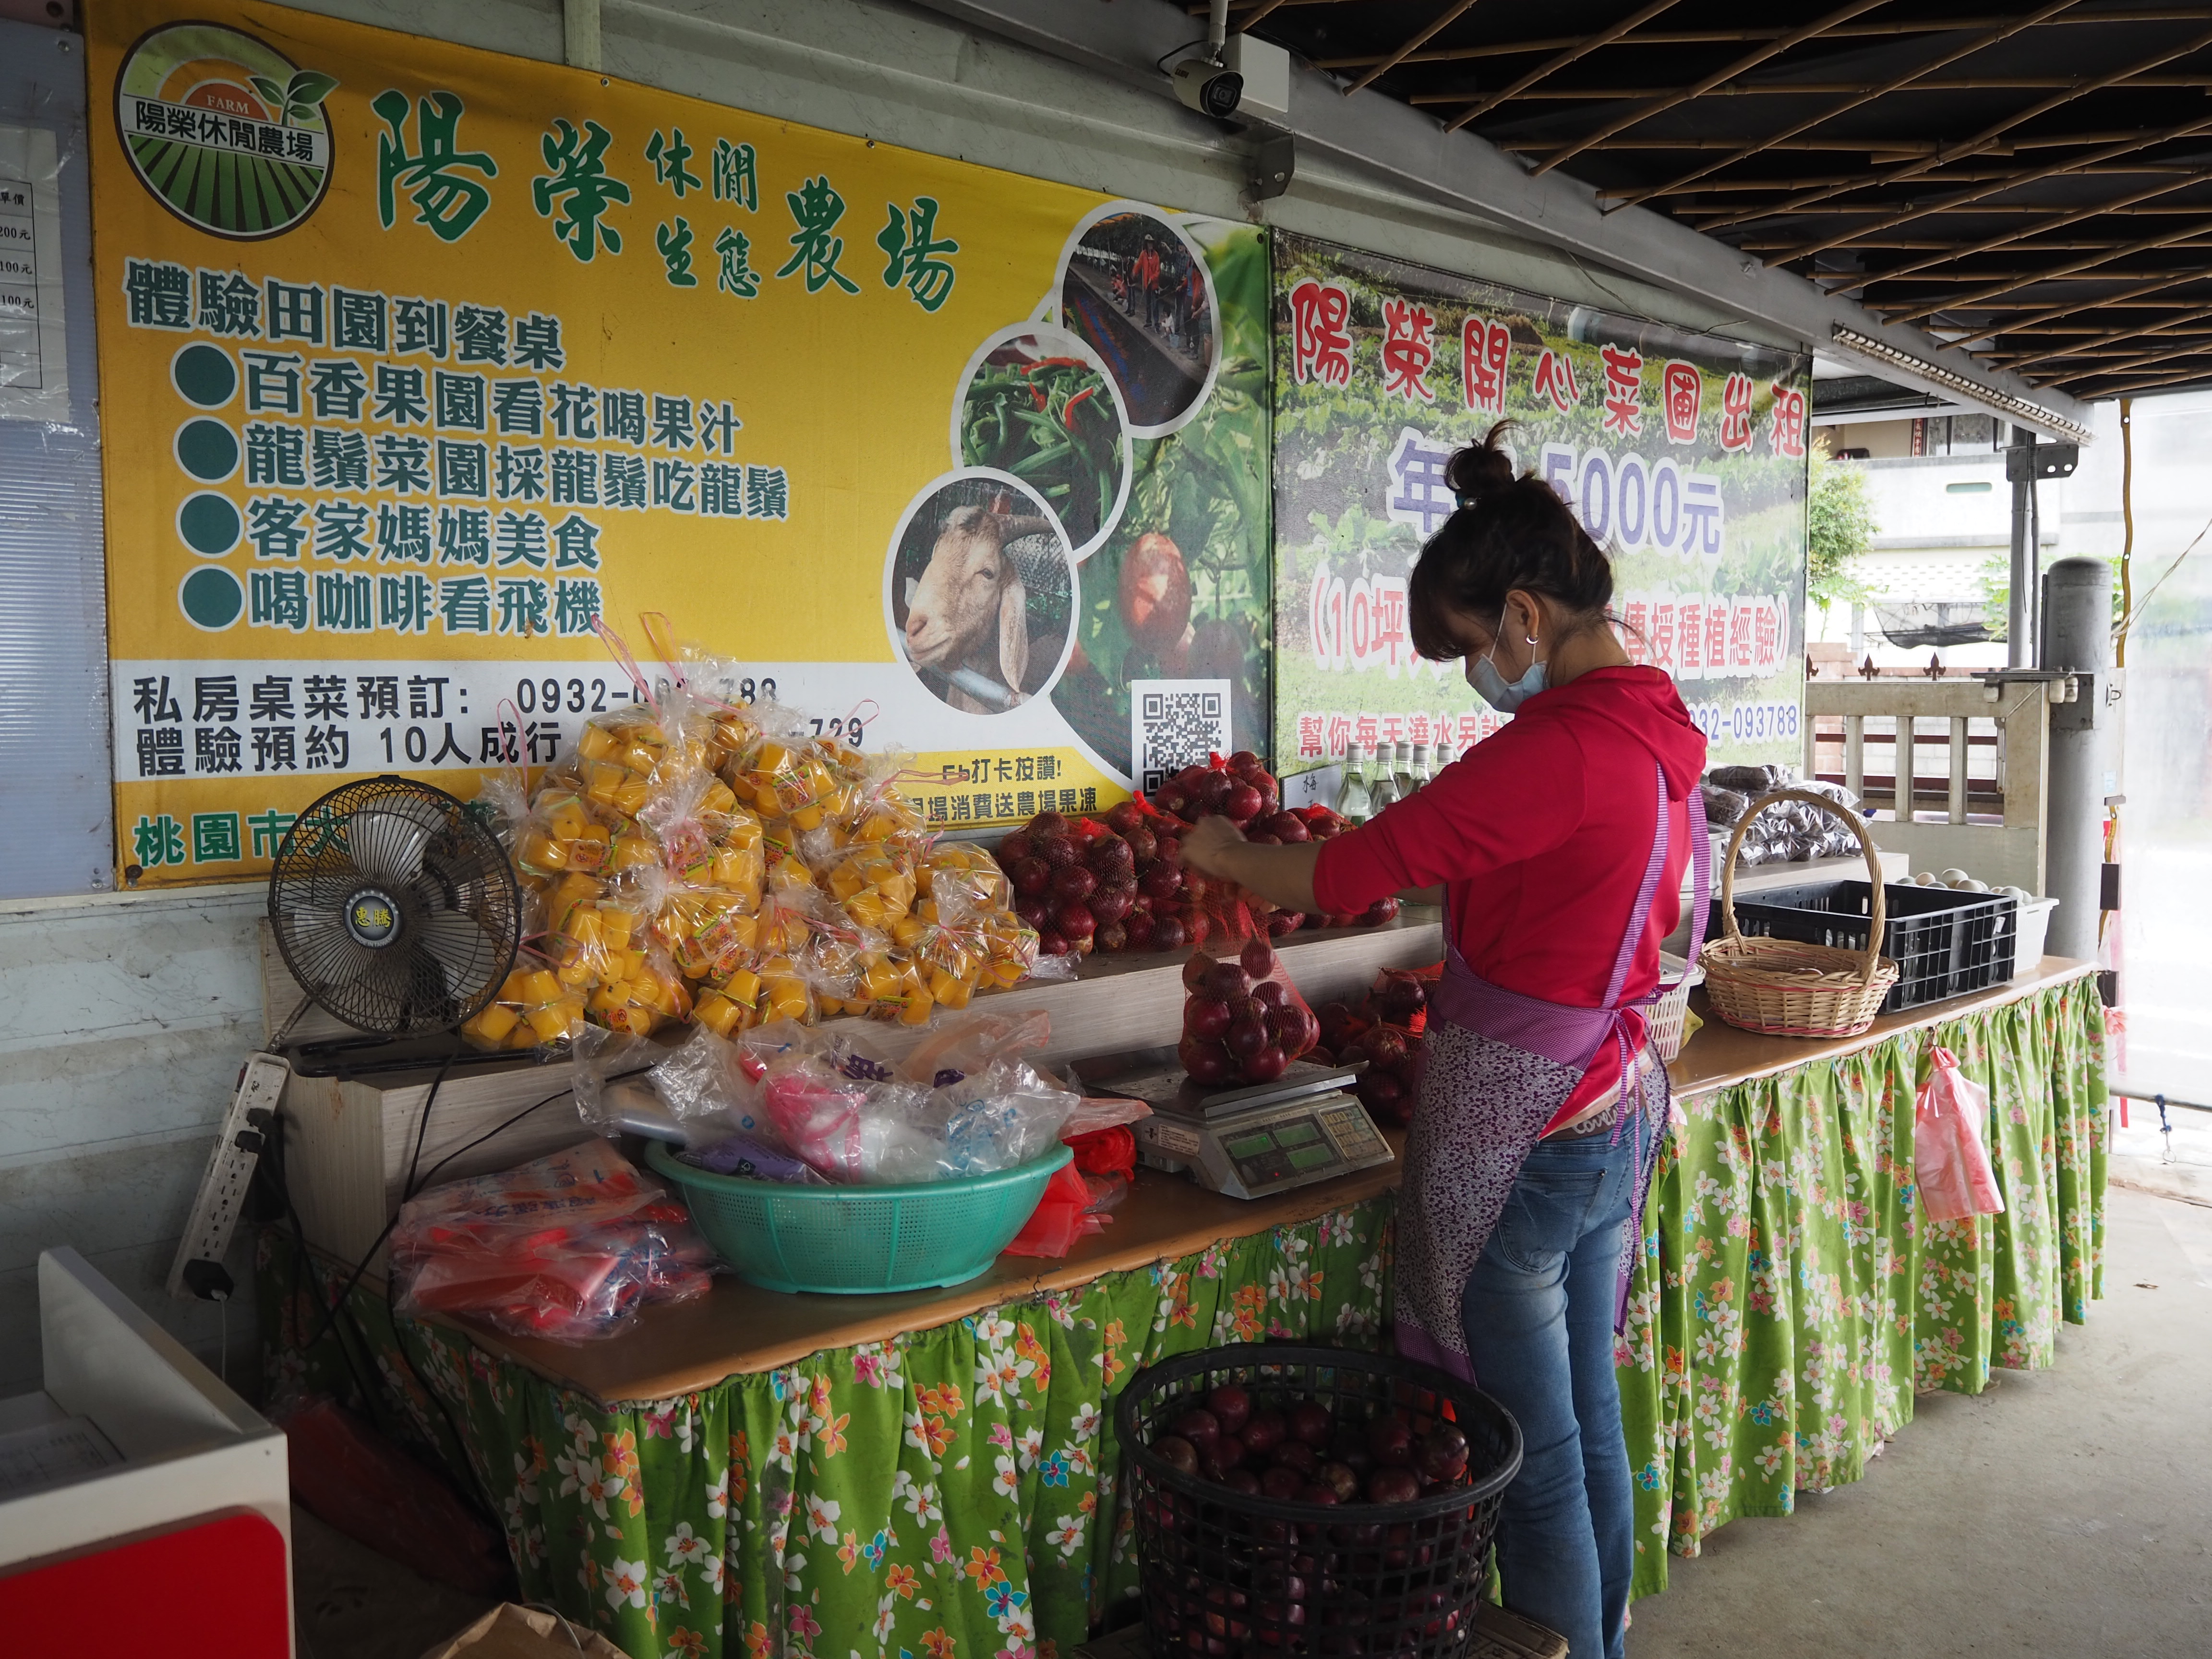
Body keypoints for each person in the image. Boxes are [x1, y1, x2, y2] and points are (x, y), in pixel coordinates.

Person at [1178, 423, 1708, 1659]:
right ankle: (1603, 1640)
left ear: (1526, 613)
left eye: (1475, 646)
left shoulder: (1561, 748)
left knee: (1528, 1457)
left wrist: (1222, 857)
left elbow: (1353, 871)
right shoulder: (1656, 726)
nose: (1477, 672)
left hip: (1532, 1110)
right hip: (1611, 1098)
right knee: (1582, 1418)